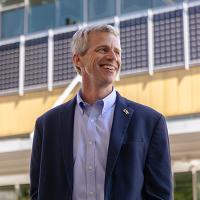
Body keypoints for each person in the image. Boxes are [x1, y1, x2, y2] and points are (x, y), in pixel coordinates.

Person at [30, 24, 172, 200]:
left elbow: (160, 195)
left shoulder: (150, 122)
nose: (113, 57)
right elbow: (38, 192)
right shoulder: (47, 125)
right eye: (103, 49)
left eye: (117, 52)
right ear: (77, 60)